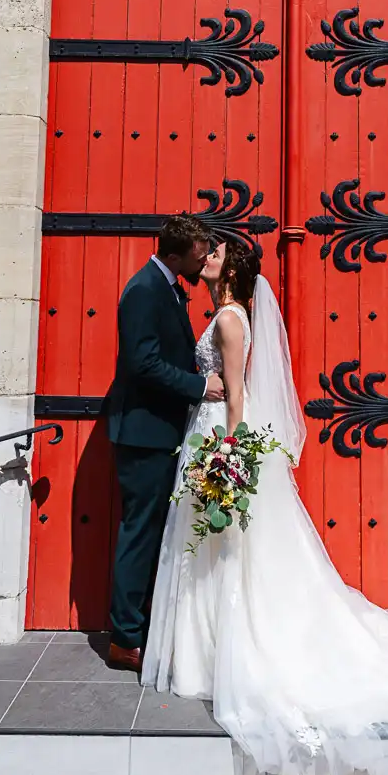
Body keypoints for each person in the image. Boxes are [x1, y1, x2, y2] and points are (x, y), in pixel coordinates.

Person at [143, 238, 388, 775]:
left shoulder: (229, 319)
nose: (207, 254)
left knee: (226, 551)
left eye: (218, 252)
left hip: (221, 436)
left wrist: (227, 455)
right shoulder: (227, 313)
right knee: (218, 550)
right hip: (210, 434)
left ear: (232, 269)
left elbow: (234, 398)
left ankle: (217, 658)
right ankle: (204, 656)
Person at [105, 215, 225, 672]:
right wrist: (199, 387)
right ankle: (125, 639)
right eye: (198, 255)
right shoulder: (143, 291)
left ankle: (146, 626)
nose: (202, 261)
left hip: (163, 433)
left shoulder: (169, 285)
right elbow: (144, 364)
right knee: (140, 533)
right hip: (144, 435)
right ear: (173, 255)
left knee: (154, 531)